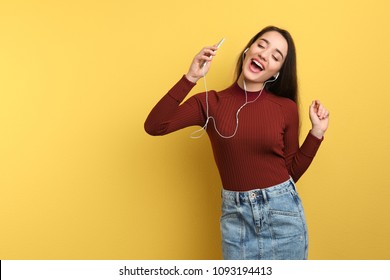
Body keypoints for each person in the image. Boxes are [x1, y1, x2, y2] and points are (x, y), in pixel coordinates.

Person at [144, 26, 329, 260]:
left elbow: (291, 172)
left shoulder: (285, 108)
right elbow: (155, 126)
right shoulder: (210, 102)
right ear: (247, 50)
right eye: (261, 45)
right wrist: (191, 77)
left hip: (283, 217)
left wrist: (316, 134)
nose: (264, 54)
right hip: (236, 220)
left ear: (276, 72)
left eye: (275, 56)